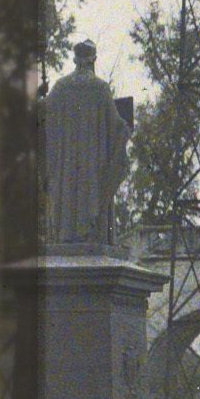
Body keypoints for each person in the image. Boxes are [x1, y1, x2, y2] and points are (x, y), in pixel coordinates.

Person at [39, 39, 131, 248]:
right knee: (92, 195)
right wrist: (124, 129)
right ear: (93, 60)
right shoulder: (100, 88)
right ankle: (89, 232)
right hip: (92, 165)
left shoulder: (61, 87)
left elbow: (41, 113)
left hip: (67, 165)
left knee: (68, 192)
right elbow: (117, 126)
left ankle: (67, 233)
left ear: (75, 59)